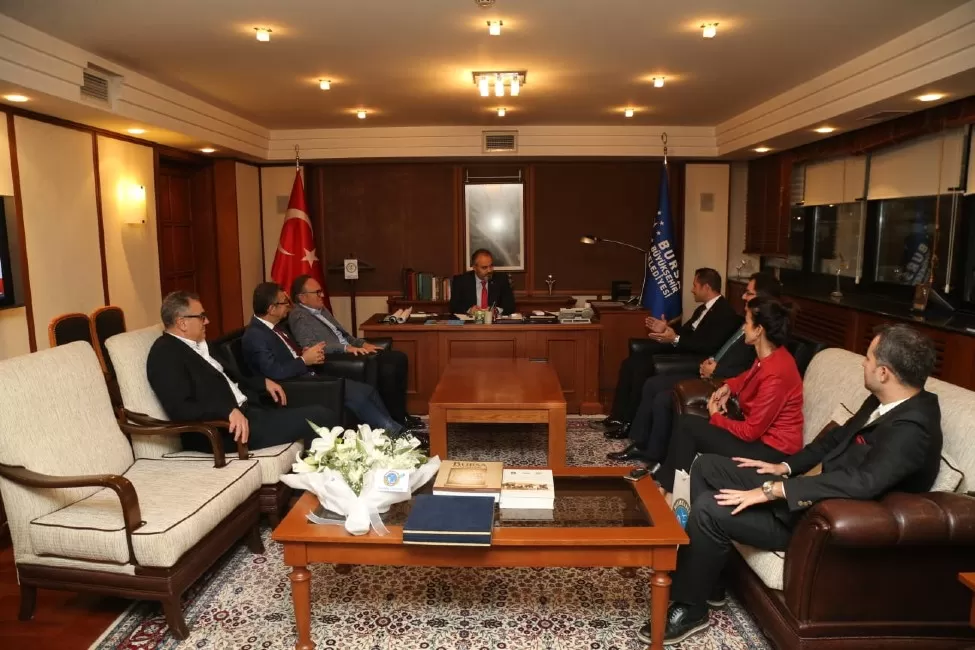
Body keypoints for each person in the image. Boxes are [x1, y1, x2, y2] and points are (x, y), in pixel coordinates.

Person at [640, 324, 942, 645]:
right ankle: (708, 580)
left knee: (708, 508)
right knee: (708, 466)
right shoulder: (883, 402)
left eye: (868, 358)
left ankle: (691, 607)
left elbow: (863, 483)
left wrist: (774, 489)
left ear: (884, 372)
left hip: (819, 521)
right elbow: (832, 441)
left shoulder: (913, 429)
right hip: (807, 491)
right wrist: (783, 467)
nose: (863, 364)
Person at [608, 272, 782, 464]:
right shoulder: (743, 322)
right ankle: (641, 443)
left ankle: (650, 452)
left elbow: (748, 371)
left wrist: (717, 371)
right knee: (651, 382)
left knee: (662, 395)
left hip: (717, 379)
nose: (742, 296)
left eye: (748, 293)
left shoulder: (763, 336)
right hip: (711, 370)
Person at [147, 291, 338, 453]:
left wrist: (262, 382)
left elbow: (232, 378)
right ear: (182, 323)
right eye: (201, 316)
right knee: (321, 417)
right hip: (226, 431)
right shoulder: (165, 354)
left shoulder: (203, 345)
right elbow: (181, 408)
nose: (207, 321)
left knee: (324, 407)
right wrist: (226, 411)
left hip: (251, 410)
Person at [654, 297, 804, 493]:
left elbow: (750, 432)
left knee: (688, 428)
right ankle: (668, 486)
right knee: (686, 424)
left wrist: (716, 416)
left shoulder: (776, 372)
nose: (743, 328)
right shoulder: (770, 355)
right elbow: (747, 377)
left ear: (759, 330)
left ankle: (671, 491)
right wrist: (728, 387)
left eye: (747, 322)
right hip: (762, 439)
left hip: (773, 450)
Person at [241, 282, 418, 438]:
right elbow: (274, 372)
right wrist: (303, 360)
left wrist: (304, 354)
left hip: (306, 376)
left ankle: (394, 432)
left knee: (367, 390)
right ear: (271, 309)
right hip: (294, 388)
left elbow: (288, 355)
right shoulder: (256, 335)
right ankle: (398, 436)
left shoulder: (276, 327)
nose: (289, 306)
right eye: (284, 302)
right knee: (357, 396)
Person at [603, 268, 741, 438]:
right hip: (681, 349)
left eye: (695, 285)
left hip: (693, 359)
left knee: (641, 367)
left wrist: (675, 338)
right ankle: (618, 417)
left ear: (706, 287)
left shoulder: (724, 313)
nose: (692, 290)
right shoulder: (702, 309)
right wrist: (667, 329)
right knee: (630, 362)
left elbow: (708, 346)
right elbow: (685, 333)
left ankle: (629, 423)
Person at [288, 275, 418, 428]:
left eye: (321, 291)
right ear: (302, 298)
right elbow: (310, 346)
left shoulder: (322, 310)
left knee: (399, 358)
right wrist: (345, 348)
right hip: (339, 358)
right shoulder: (299, 316)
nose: (322, 295)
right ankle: (394, 421)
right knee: (388, 367)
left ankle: (401, 416)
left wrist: (363, 343)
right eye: (317, 292)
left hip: (352, 350)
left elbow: (345, 336)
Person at [448, 248, 517, 316]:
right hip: (471, 322)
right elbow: (453, 307)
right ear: (474, 268)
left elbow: (510, 306)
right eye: (484, 267)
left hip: (493, 322)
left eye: (491, 266)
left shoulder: (501, 280)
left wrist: (496, 310)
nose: (489, 270)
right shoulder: (461, 281)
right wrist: (469, 310)